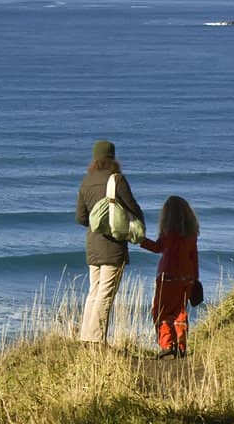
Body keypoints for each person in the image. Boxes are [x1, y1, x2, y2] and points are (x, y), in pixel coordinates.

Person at [74, 139, 144, 344]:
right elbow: (133, 208)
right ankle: (95, 341)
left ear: (95, 159)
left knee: (94, 291)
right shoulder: (117, 180)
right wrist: (137, 225)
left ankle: (85, 338)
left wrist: (98, 222)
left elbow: (80, 218)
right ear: (113, 158)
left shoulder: (86, 182)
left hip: (93, 245)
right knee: (105, 294)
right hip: (113, 246)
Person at [141, 195, 201, 358]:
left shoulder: (167, 234)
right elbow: (193, 258)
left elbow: (156, 248)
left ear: (167, 216)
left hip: (167, 278)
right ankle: (181, 345)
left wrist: (140, 240)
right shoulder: (192, 235)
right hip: (186, 278)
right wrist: (195, 279)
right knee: (180, 311)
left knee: (161, 312)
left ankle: (168, 345)